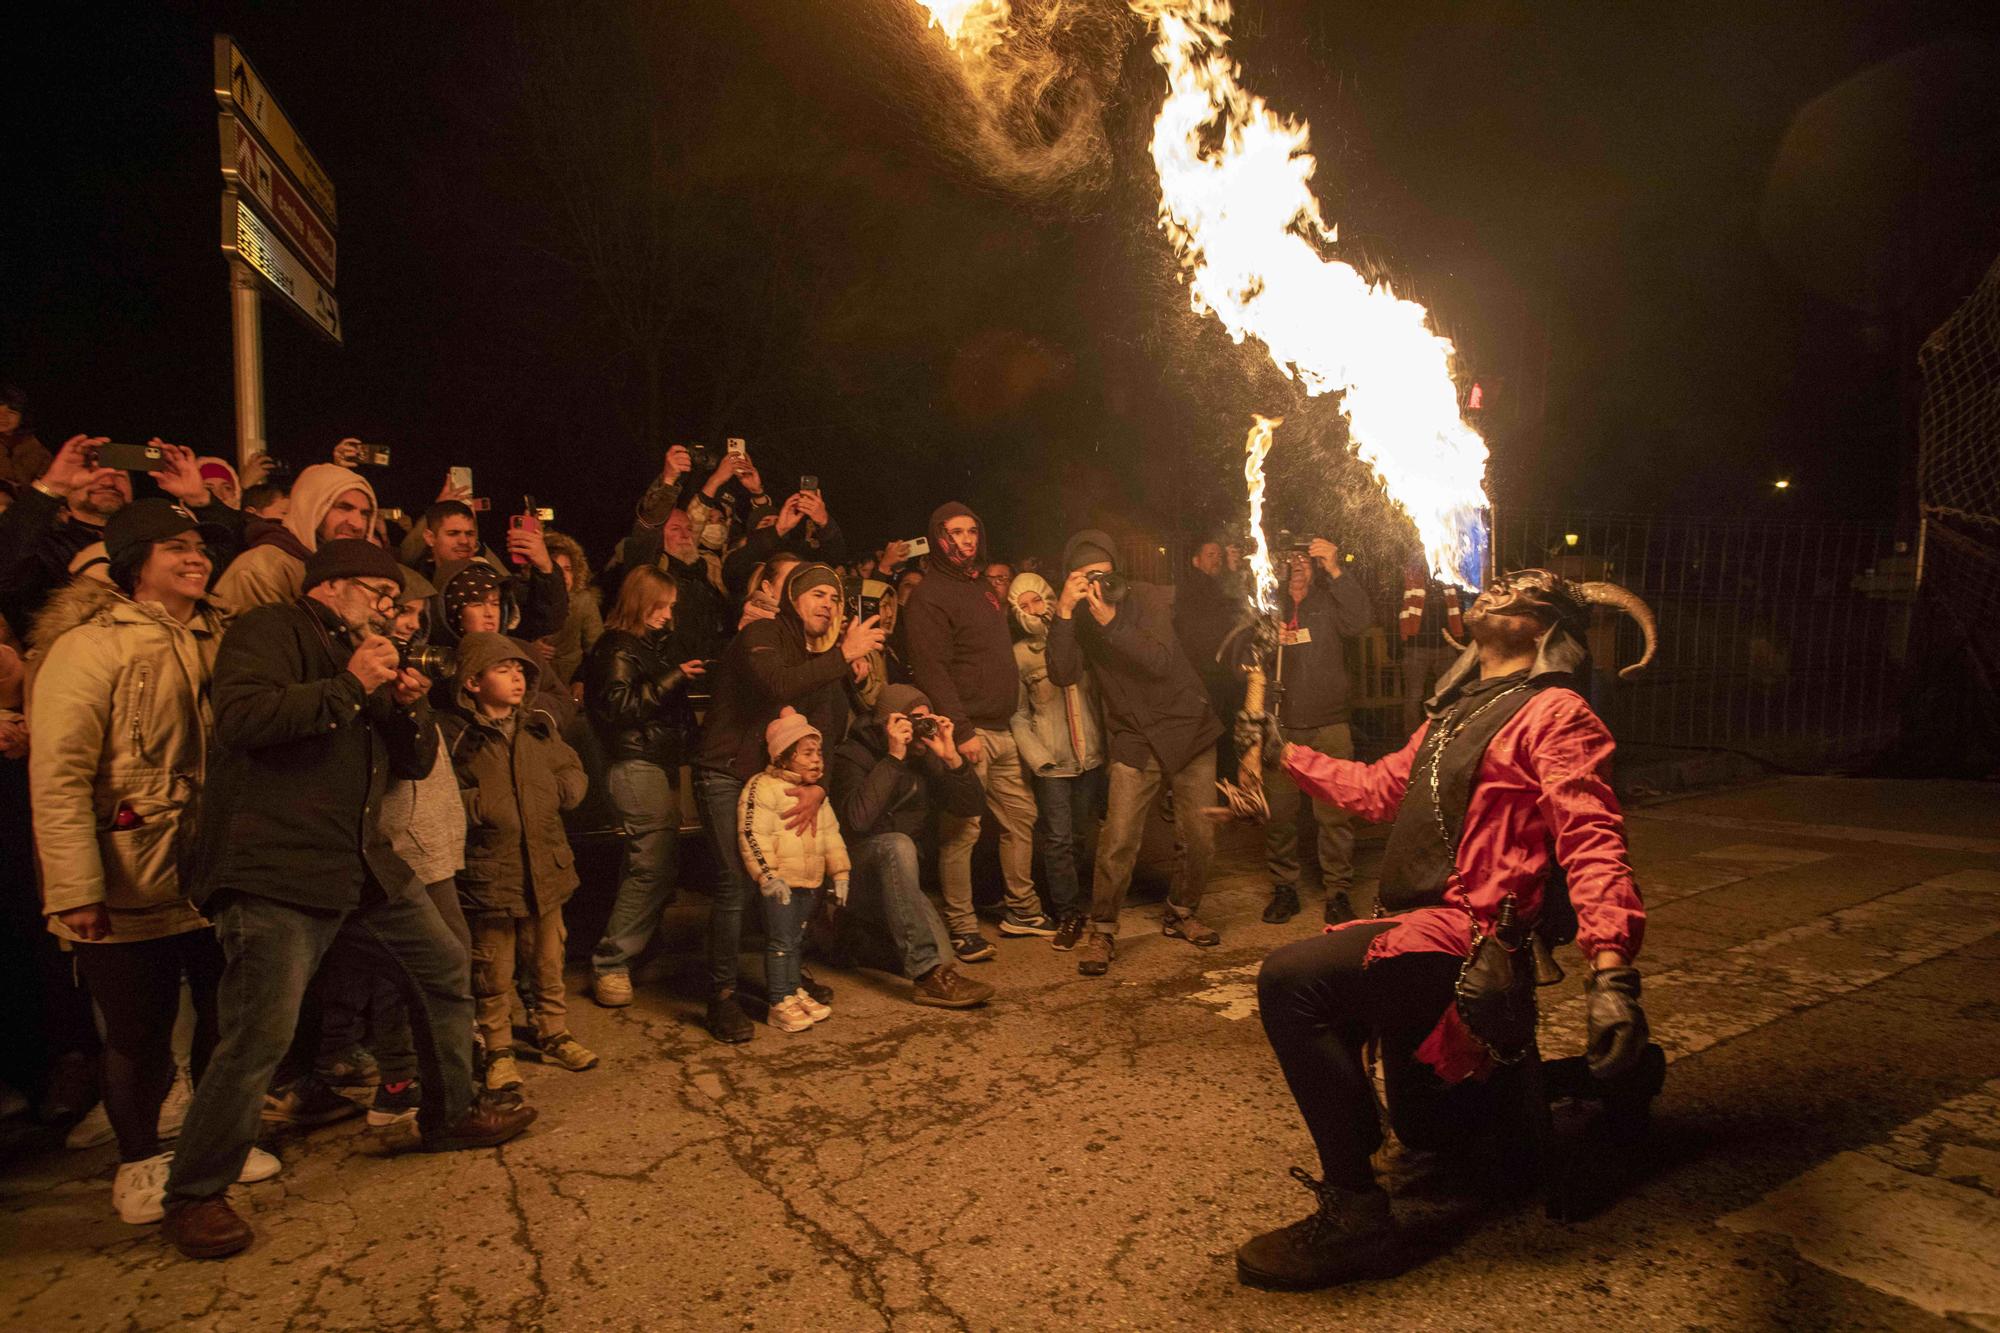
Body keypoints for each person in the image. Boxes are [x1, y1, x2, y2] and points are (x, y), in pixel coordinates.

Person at [1235, 568, 1656, 1291]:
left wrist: (1612, 971)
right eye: (1496, 586)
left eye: (1522, 592)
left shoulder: (1556, 714)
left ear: (1549, 628)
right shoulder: (1450, 716)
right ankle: (1596, 1081)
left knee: (1292, 980)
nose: (1496, 591)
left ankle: (1357, 1216)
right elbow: (1376, 790)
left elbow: (1592, 839)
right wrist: (1284, 754)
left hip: (1472, 938)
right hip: (1412, 921)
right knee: (1432, 1133)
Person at [159, 539, 535, 1261]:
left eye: (395, 601)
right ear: (332, 587)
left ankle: (449, 1112)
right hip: (276, 867)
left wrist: (406, 708)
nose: (391, 611)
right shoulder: (269, 630)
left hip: (359, 863)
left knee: (443, 966)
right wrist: (353, 684)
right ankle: (195, 1193)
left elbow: (415, 761)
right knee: (260, 1032)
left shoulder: (370, 657)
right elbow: (244, 719)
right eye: (380, 594)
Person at [26, 499, 283, 1224]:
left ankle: (212, 1139)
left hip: (213, 865)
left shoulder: (220, 636)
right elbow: (60, 775)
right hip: (127, 869)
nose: (197, 557)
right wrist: (75, 887)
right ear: (137, 561)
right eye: (176, 547)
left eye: (200, 546)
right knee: (138, 1030)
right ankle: (138, 1160)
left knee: (222, 1014)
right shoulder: (90, 647)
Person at [693, 562, 882, 1041]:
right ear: (793, 598)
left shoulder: (812, 653)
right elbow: (775, 685)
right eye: (818, 594)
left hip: (771, 779)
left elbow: (826, 727)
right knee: (737, 882)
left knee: (791, 879)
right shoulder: (763, 633)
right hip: (725, 772)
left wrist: (820, 785)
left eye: (836, 599)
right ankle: (722, 998)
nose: (829, 604)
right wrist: (842, 655)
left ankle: (783, 979)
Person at [1049, 529, 1223, 977]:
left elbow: (1160, 661)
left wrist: (1111, 621)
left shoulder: (1145, 598)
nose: (1100, 586)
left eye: (1106, 575)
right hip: (1135, 737)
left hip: (1188, 728)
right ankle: (1103, 930)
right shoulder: (1079, 617)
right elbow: (1062, 673)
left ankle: (1181, 911)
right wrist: (1065, 613)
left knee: (1200, 835)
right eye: (1088, 578)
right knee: (1119, 839)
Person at [442, 633, 595, 1090]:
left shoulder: (537, 729)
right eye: (504, 670)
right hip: (493, 872)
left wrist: (565, 790)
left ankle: (554, 1031)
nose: (517, 678)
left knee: (549, 958)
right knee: (492, 966)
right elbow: (443, 793)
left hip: (545, 867)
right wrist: (480, 805)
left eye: (522, 671)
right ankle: (498, 1047)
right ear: (472, 682)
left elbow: (571, 769)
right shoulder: (459, 739)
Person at [903, 502, 1052, 957]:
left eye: (971, 532)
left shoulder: (982, 589)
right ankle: (962, 926)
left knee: (1020, 818)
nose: (965, 540)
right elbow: (931, 670)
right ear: (937, 537)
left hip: (1002, 729)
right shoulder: (928, 596)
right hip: (969, 733)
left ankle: (1021, 909)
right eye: (954, 533)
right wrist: (962, 731)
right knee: (963, 829)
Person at [828, 685, 997, 1008]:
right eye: (913, 720)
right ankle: (926, 978)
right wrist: (893, 758)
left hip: (901, 881)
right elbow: (857, 822)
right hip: (854, 872)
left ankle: (854, 939)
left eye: (926, 719)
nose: (921, 729)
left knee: (945, 957)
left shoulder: (926, 756)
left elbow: (971, 806)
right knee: (897, 845)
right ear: (888, 722)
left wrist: (952, 760)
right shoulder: (854, 754)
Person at [582, 566, 703, 1007]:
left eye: (671, 607)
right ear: (639, 601)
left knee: (648, 864)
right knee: (651, 866)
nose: (667, 615)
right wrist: (674, 678)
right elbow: (617, 709)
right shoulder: (616, 647)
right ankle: (612, 962)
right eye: (662, 605)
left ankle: (639, 949)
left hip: (654, 762)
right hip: (635, 766)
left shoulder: (648, 646)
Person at [1, 436, 237, 632]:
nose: (108, 479)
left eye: (120, 475)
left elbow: (234, 558)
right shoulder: (48, 547)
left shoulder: (164, 541)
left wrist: (199, 499)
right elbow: (6, 565)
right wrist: (52, 486)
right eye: (94, 472)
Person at [1258, 537, 1373, 926]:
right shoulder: (1267, 605)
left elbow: (1359, 621)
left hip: (1329, 725)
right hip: (1282, 727)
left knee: (1335, 816)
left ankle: (1338, 892)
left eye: (1305, 559)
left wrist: (1337, 570)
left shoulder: (1327, 602)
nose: (1297, 564)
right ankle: (1284, 889)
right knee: (1280, 816)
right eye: (1290, 558)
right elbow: (1244, 660)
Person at [1006, 572, 1106, 950]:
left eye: (1038, 599)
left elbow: (1096, 697)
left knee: (1083, 835)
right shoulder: (1018, 655)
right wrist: (1038, 758)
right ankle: (1067, 914)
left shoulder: (1077, 638)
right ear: (1016, 612)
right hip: (1052, 762)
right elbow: (1017, 713)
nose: (1035, 609)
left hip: (1089, 756)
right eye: (1024, 604)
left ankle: (1083, 904)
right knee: (1058, 839)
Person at [738, 709, 850, 1032]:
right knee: (781, 941)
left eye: (819, 753)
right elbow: (752, 834)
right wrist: (767, 875)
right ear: (784, 758)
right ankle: (779, 999)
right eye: (807, 753)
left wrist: (840, 872)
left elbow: (832, 836)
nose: (817, 761)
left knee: (796, 939)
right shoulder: (762, 788)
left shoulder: (816, 797)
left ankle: (792, 989)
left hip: (809, 881)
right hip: (781, 884)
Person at [212, 462, 376, 610]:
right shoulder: (261, 571)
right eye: (344, 508)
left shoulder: (349, 571)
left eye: (365, 513)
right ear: (311, 509)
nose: (358, 524)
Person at [1175, 534, 1245, 776]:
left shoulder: (1214, 586)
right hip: (1206, 679)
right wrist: (1232, 573)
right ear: (1196, 561)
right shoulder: (1195, 587)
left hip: (1220, 678)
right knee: (1215, 738)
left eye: (1219, 555)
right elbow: (1227, 608)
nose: (1217, 560)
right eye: (1210, 555)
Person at [1400, 554, 1467, 734]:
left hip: (1444, 645)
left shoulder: (1449, 577)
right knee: (1414, 696)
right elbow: (1395, 608)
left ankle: (1448, 735)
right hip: (1416, 646)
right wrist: (1400, 642)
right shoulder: (1411, 575)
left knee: (1450, 693)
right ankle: (1412, 739)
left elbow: (1459, 605)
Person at [541, 530, 603, 690]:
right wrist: (528, 648)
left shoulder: (583, 602)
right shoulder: (526, 599)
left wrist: (581, 679)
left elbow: (596, 648)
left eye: (568, 569)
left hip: (568, 683)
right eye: (556, 569)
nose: (564, 576)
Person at [0, 383, 50, 492]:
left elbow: (49, 482)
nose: (3, 417)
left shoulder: (35, 448)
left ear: (22, 417)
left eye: (11, 412)